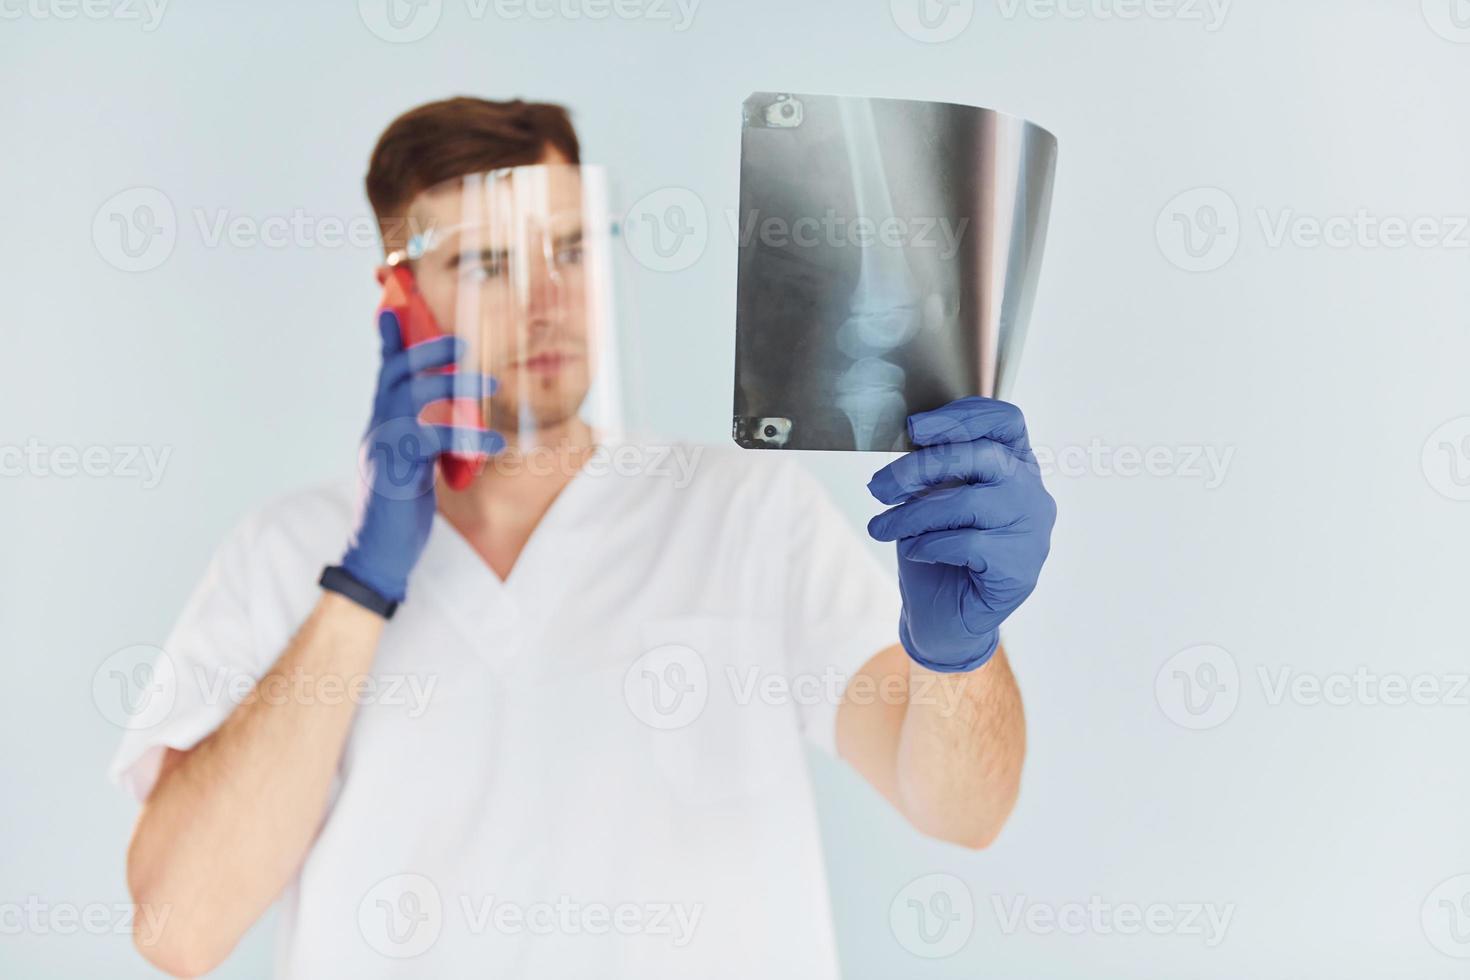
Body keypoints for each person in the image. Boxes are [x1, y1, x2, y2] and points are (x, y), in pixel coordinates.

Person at [112, 97, 1056, 979]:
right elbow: (179, 929)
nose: (545, 302)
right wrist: (361, 585)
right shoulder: (286, 553)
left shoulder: (742, 512)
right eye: (487, 264)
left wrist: (960, 653)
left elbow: (963, 810)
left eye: (569, 248)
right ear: (399, 295)